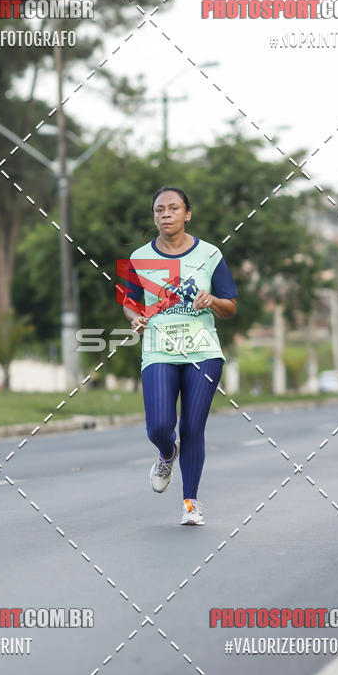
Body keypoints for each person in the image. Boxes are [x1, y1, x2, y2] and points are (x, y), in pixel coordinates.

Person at [122, 186, 238, 526]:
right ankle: (166, 452)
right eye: (159, 210)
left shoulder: (211, 254)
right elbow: (129, 303)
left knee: (192, 427)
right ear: (154, 216)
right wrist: (136, 318)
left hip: (202, 351)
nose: (166, 215)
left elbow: (231, 306)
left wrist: (212, 301)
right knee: (160, 425)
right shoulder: (138, 258)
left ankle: (190, 502)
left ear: (187, 214)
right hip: (159, 350)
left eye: (173, 209)